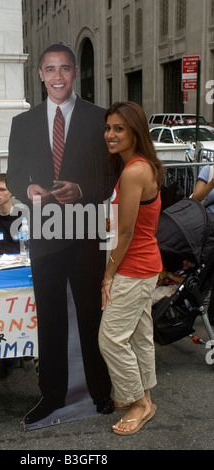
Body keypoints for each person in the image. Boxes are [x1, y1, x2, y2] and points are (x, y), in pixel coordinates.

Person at [7, 44, 118, 425]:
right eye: (50, 69)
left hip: (85, 230)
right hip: (44, 234)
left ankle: (101, 391)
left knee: (92, 315)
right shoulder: (22, 123)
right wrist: (28, 191)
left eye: (65, 69)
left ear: (74, 73)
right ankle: (51, 395)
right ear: (40, 74)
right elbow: (15, 176)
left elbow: (110, 176)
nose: (57, 77)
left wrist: (83, 190)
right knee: (51, 316)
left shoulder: (99, 118)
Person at [98, 101, 165, 435]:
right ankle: (146, 398)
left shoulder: (134, 171)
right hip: (144, 265)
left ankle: (136, 402)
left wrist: (107, 276)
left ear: (135, 131)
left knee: (110, 337)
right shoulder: (141, 166)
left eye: (119, 128)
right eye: (108, 128)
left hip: (135, 267)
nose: (111, 134)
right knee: (139, 335)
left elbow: (125, 233)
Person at [191, 165, 214, 325]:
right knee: (202, 272)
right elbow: (196, 198)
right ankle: (189, 313)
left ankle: (212, 316)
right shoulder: (209, 170)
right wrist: (211, 184)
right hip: (209, 228)